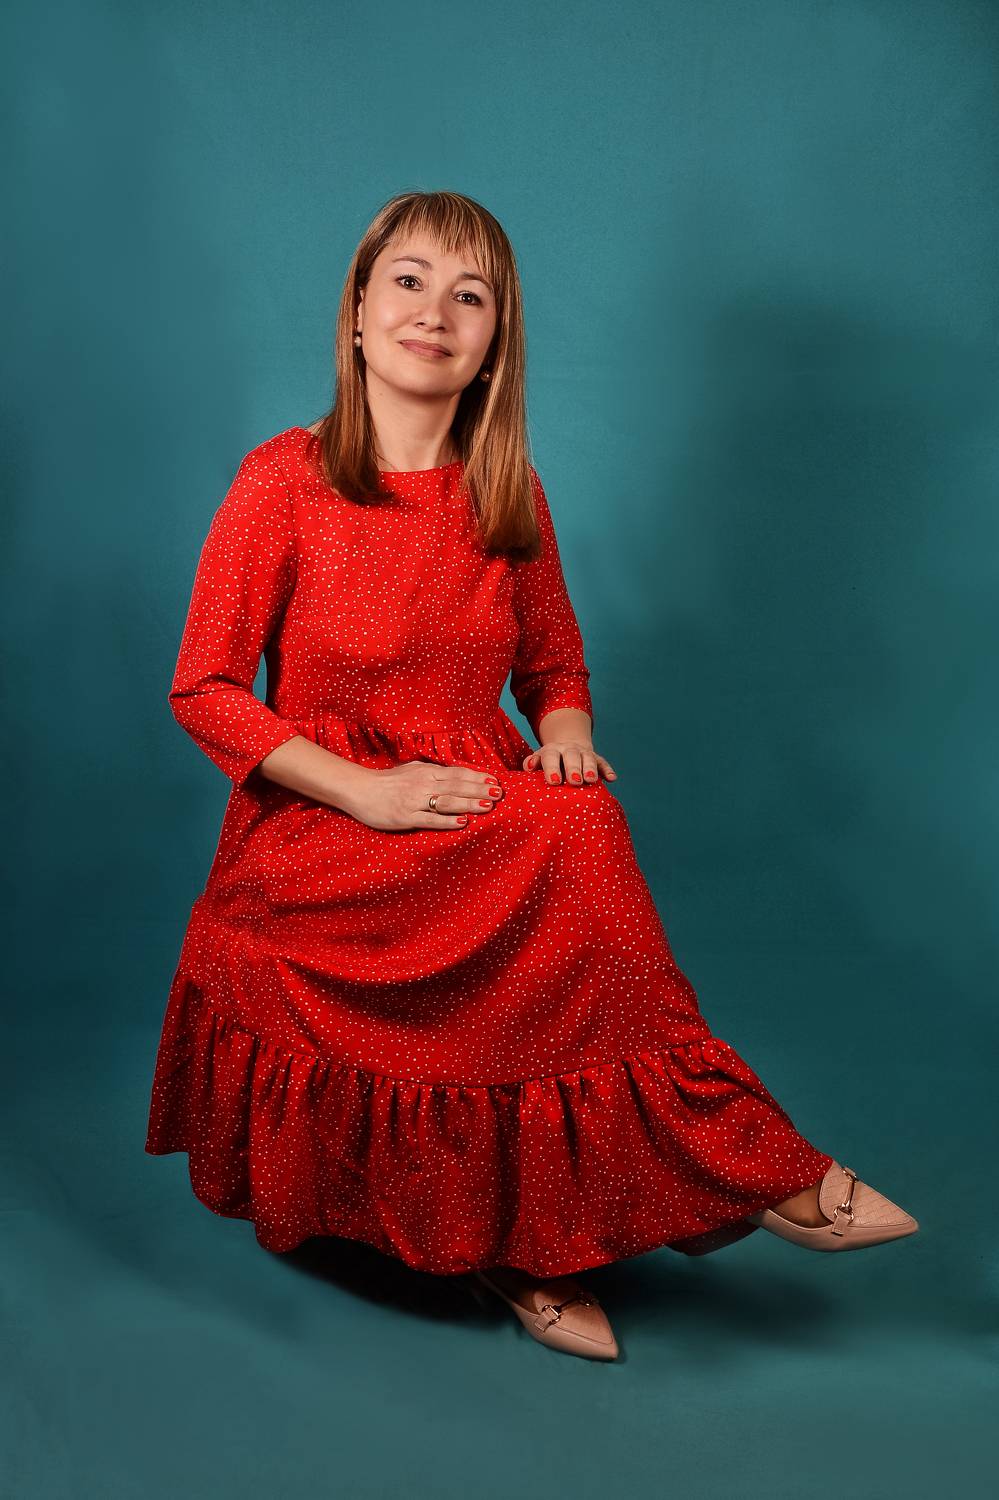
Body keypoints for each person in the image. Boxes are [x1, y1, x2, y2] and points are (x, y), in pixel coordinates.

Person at [145, 189, 918, 1362]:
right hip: (326, 822)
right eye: (409, 282)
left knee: (580, 819)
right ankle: (696, 1188)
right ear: (356, 313)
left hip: (476, 804)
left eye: (470, 296)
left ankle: (667, 1187)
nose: (434, 313)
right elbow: (203, 688)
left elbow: (553, 664)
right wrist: (368, 792)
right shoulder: (282, 482)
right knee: (570, 843)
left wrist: (564, 730)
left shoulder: (508, 491)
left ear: (494, 340)